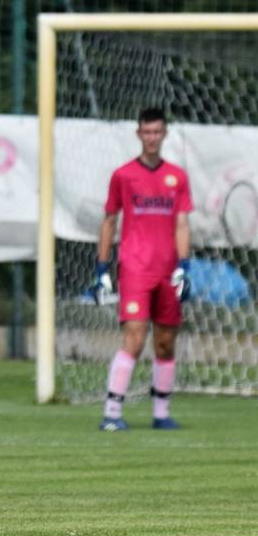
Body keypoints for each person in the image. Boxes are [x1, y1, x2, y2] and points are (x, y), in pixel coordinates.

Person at [93, 107, 193, 432]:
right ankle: (111, 412)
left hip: (167, 272)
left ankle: (161, 414)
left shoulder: (176, 177)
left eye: (156, 132)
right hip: (135, 269)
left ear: (164, 134)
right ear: (138, 134)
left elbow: (181, 224)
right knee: (134, 338)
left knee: (165, 342)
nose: (151, 138)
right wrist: (102, 269)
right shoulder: (123, 175)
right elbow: (109, 221)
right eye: (146, 132)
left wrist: (184, 266)